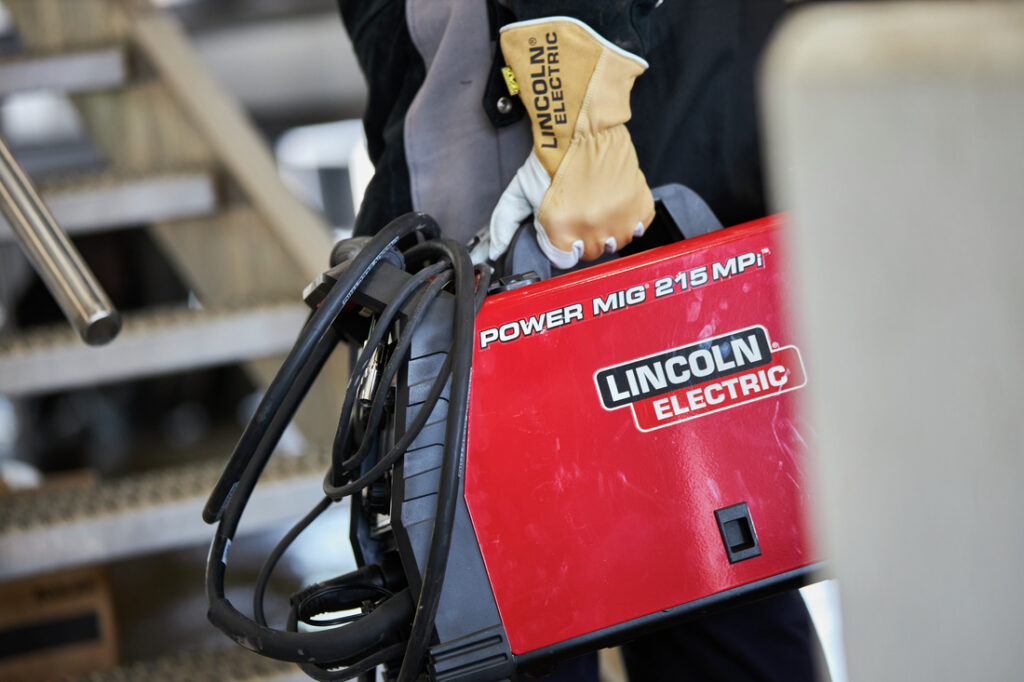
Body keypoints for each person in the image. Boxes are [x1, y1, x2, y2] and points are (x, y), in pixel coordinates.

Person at [335, 1, 826, 679]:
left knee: (724, 583)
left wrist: (580, 107)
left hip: (666, 189)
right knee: (514, 603)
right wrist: (573, 104)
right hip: (507, 194)